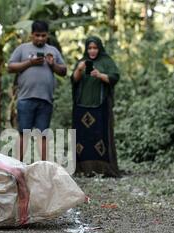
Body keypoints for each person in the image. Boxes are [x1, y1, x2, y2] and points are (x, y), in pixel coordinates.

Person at [8, 20, 67, 161]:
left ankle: (43, 167)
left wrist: (53, 65)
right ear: (31, 35)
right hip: (26, 99)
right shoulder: (22, 49)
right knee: (24, 134)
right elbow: (10, 67)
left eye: (43, 35)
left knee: (43, 135)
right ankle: (18, 166)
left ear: (47, 36)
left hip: (46, 99)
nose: (40, 38)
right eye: (37, 35)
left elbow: (64, 71)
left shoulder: (53, 51)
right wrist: (30, 63)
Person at [71, 36, 120, 177]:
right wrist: (79, 70)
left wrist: (100, 75)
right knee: (82, 139)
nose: (92, 51)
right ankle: (84, 169)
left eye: (95, 48)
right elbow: (74, 80)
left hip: (100, 107)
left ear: (100, 48)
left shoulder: (106, 61)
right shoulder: (82, 61)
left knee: (100, 137)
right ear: (86, 49)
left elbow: (114, 78)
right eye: (90, 48)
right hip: (81, 106)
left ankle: (102, 169)